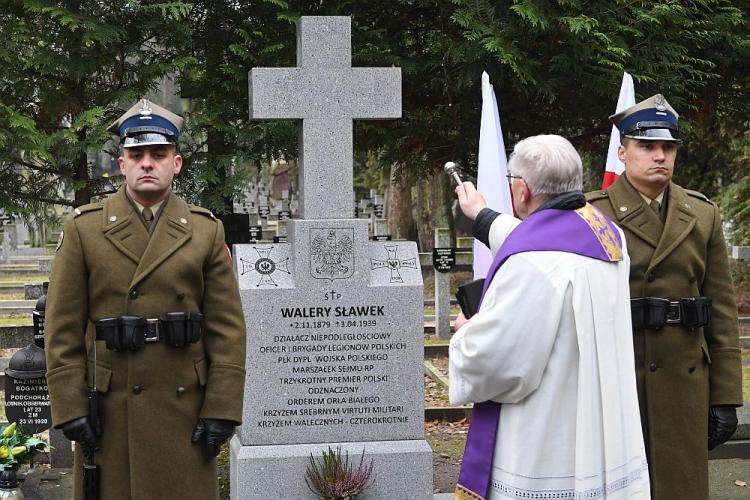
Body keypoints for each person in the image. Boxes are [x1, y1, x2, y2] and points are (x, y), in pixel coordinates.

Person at [44, 99, 247, 500]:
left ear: (177, 164)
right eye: (137, 155)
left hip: (185, 409)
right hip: (112, 412)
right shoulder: (85, 229)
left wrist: (222, 408)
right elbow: (62, 327)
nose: (147, 163)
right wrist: (69, 407)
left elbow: (227, 328)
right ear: (122, 164)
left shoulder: (205, 231)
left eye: (159, 154)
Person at [450, 135, 650, 500]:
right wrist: (481, 216)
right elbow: (538, 241)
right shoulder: (606, 235)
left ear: (523, 190)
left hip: (544, 452)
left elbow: (497, 362)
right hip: (601, 437)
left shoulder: (532, 263)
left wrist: (467, 332)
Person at [586, 94, 742, 499]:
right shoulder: (591, 213)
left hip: (684, 382)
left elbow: (721, 311)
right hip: (619, 378)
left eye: (668, 147)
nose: (660, 156)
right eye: (647, 146)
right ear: (622, 152)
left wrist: (725, 397)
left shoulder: (701, 212)